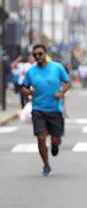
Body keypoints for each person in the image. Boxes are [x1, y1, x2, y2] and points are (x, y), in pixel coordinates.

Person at [20, 44, 71, 176]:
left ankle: (55, 144)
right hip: (38, 109)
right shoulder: (31, 71)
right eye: (35, 55)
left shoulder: (57, 67)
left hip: (55, 109)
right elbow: (23, 87)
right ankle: (46, 164)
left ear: (45, 54)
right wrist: (29, 91)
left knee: (56, 139)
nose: (38, 56)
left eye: (40, 54)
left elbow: (68, 82)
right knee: (41, 138)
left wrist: (61, 92)